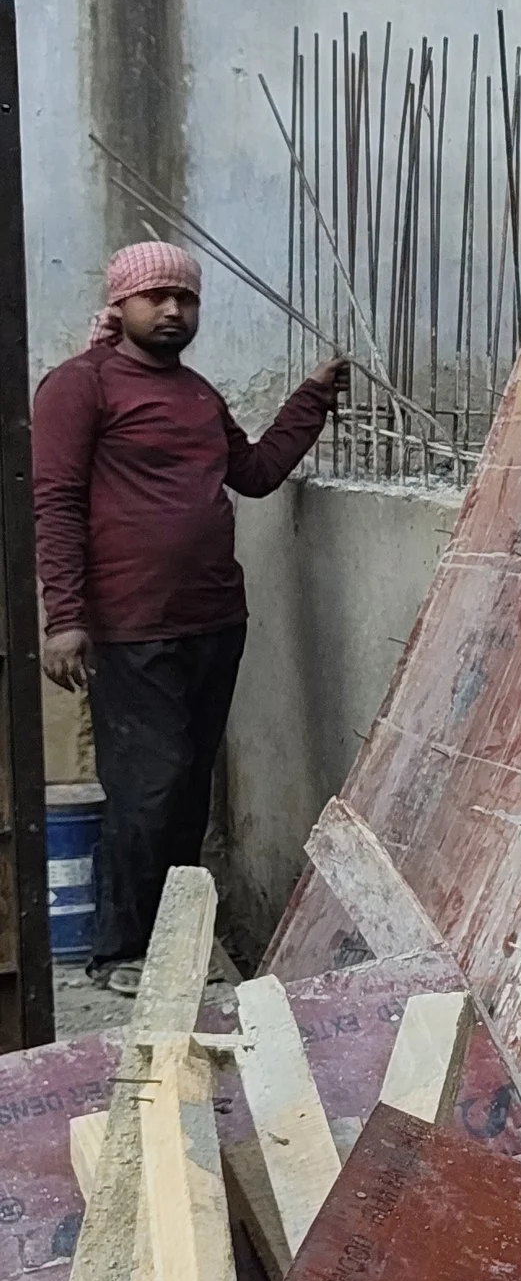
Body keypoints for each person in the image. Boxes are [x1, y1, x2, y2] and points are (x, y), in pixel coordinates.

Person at [34, 243, 347, 990]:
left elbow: (256, 474)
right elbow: (54, 501)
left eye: (186, 299)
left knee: (186, 790)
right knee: (149, 786)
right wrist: (65, 617)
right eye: (156, 298)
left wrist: (310, 399)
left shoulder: (199, 394)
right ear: (121, 306)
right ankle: (120, 951)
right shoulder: (81, 388)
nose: (173, 310)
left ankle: (170, 947)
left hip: (213, 620)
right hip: (130, 626)